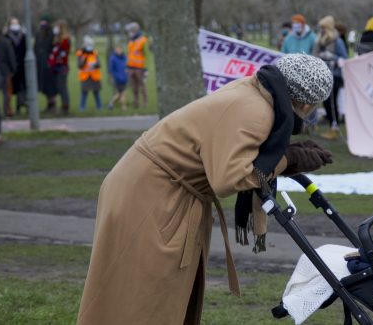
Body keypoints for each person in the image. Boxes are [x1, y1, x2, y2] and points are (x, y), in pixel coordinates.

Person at [77, 54, 334, 324]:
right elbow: (229, 178)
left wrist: (286, 156)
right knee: (143, 297)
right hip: (151, 194)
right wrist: (288, 159)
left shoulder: (255, 93)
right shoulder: (255, 111)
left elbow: (238, 155)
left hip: (160, 188)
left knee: (153, 295)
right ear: (306, 103)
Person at [312, 15, 348, 140]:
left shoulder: (337, 41)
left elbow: (344, 58)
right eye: (320, 27)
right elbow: (314, 54)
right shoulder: (319, 40)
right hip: (322, 74)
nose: (321, 30)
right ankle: (332, 125)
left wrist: (331, 56)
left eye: (323, 27)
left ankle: (335, 127)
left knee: (331, 102)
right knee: (325, 102)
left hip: (335, 75)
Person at [0, 23, 17, 118]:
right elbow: (11, 57)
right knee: (6, 93)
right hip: (5, 71)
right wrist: (13, 69)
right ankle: (7, 110)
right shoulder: (6, 42)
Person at [48, 19, 71, 115]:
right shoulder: (57, 39)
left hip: (62, 66)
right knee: (58, 86)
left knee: (62, 87)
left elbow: (64, 53)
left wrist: (57, 56)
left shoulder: (65, 40)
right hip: (56, 66)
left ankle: (65, 106)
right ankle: (60, 105)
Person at [6, 17, 27, 115]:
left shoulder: (23, 36)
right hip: (10, 66)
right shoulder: (6, 37)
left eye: (16, 23)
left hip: (22, 66)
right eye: (12, 23)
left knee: (21, 87)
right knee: (9, 88)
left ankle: (20, 104)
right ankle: (9, 109)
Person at [35, 16, 56, 112]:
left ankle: (52, 104)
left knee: (50, 86)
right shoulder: (39, 35)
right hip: (41, 64)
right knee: (44, 85)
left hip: (49, 64)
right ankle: (49, 103)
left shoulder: (50, 35)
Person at [125, 22, 148, 109]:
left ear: (135, 30)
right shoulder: (131, 41)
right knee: (133, 87)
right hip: (131, 68)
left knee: (142, 86)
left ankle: (145, 103)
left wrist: (146, 69)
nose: (129, 33)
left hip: (140, 68)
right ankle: (136, 102)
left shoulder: (143, 40)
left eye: (131, 31)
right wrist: (127, 67)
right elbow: (129, 54)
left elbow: (147, 55)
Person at [76, 36, 102, 111]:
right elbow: (80, 65)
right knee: (84, 93)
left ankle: (99, 107)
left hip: (94, 76)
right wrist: (85, 58)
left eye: (90, 45)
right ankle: (82, 107)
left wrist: (95, 65)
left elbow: (99, 64)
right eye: (87, 44)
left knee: (96, 92)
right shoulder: (81, 54)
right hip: (85, 76)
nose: (89, 46)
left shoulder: (94, 53)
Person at [107, 45, 128, 110]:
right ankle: (123, 106)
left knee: (120, 93)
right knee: (123, 92)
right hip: (118, 78)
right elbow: (111, 69)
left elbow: (127, 65)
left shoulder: (124, 57)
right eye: (117, 49)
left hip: (124, 77)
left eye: (120, 49)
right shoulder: (113, 58)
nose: (118, 51)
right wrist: (113, 77)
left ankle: (111, 103)